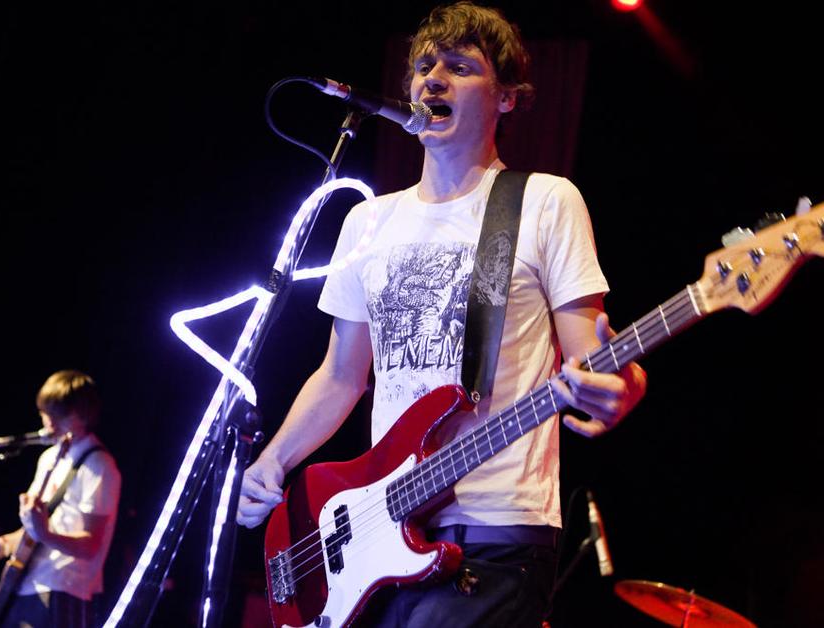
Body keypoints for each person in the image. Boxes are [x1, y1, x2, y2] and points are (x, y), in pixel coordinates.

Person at [237, 2, 647, 626]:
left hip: (495, 530)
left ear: (506, 97)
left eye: (460, 67)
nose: (434, 79)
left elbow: (590, 358)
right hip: (381, 530)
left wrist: (626, 384)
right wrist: (275, 460)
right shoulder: (367, 221)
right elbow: (341, 376)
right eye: (425, 66)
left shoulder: (543, 202)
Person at [0, 369, 121, 627]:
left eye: (59, 414)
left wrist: (44, 533)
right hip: (24, 582)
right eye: (45, 412)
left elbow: (90, 545)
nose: (49, 422)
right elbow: (32, 532)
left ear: (83, 414)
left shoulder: (99, 465)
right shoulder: (49, 457)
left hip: (63, 588)